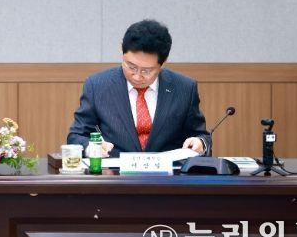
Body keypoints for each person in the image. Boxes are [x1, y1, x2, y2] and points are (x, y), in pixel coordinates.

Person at [67, 19, 211, 157]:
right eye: (131, 67)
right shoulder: (97, 85)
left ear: (163, 63)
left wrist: (200, 142)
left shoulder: (184, 88)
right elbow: (77, 135)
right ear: (121, 50)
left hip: (168, 173)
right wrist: (91, 147)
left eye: (147, 71)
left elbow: (200, 135)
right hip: (114, 172)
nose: (137, 76)